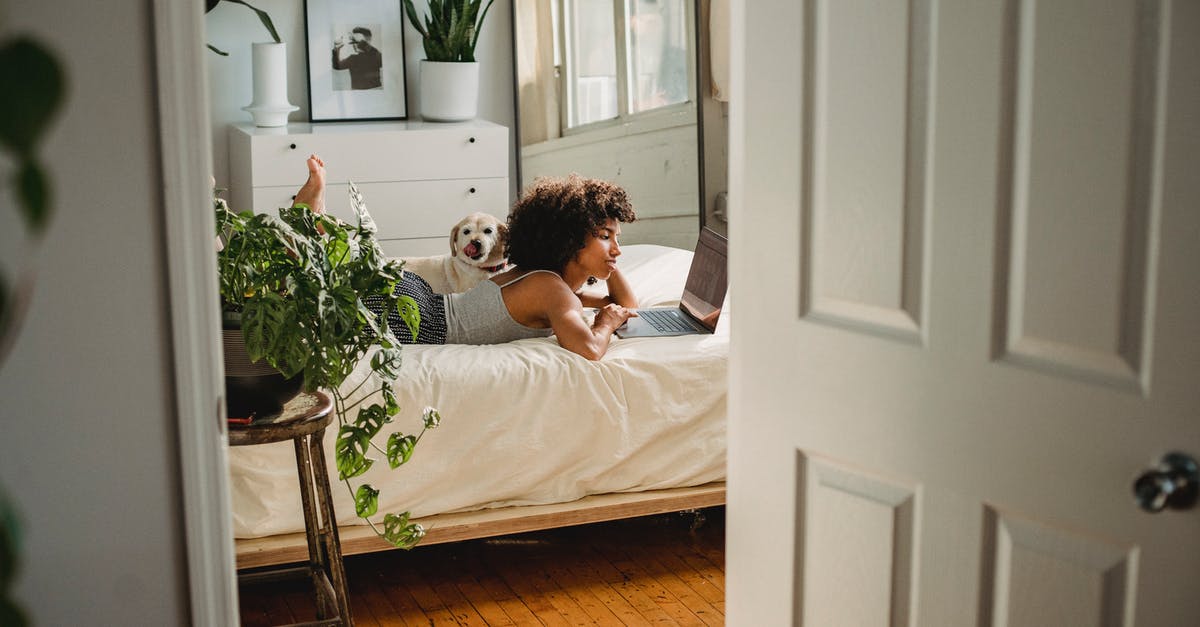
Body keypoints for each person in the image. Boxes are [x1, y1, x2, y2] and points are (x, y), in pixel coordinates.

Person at [292, 155, 640, 361]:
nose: (616, 249)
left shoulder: (549, 284)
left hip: (420, 301)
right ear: (568, 239)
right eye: (604, 236)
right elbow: (589, 350)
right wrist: (604, 324)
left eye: (617, 239)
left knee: (341, 273)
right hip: (423, 321)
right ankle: (308, 223)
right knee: (315, 284)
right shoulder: (554, 292)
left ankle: (316, 222)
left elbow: (625, 304)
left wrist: (609, 261)